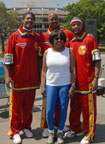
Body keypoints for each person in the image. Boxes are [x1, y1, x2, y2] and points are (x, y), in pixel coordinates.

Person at [4, 12, 42, 144]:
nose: (29, 21)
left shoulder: (36, 37)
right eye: (27, 18)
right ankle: (15, 131)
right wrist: (8, 76)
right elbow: (7, 59)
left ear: (34, 21)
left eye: (32, 19)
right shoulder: (14, 36)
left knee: (28, 108)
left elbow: (52, 42)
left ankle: (26, 127)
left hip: (32, 81)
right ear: (23, 20)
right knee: (16, 109)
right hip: (18, 80)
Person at [65, 17, 101, 144]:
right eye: (73, 25)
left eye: (78, 25)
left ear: (82, 26)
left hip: (88, 83)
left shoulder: (90, 40)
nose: (75, 27)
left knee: (88, 110)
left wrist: (95, 79)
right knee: (74, 108)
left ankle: (89, 134)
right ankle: (76, 129)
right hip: (75, 84)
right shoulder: (70, 42)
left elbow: (97, 61)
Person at [40, 12, 74, 137]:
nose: (54, 21)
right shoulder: (42, 36)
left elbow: (76, 41)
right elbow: (42, 65)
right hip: (50, 80)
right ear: (48, 21)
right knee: (49, 107)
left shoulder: (67, 34)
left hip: (64, 80)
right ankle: (48, 128)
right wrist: (42, 83)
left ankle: (59, 129)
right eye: (51, 19)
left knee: (63, 106)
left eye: (56, 19)